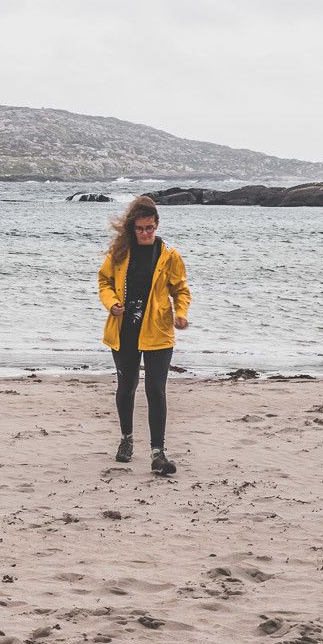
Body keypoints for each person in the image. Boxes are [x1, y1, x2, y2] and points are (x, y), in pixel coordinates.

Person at [97, 195, 191, 475]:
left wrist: (181, 313)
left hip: (159, 331)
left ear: (157, 224)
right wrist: (111, 303)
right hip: (124, 330)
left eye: (150, 227)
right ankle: (126, 439)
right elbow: (103, 281)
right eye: (140, 229)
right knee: (127, 388)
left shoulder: (169, 255)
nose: (146, 233)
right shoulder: (119, 253)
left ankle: (157, 453)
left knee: (156, 390)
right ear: (132, 228)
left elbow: (181, 290)